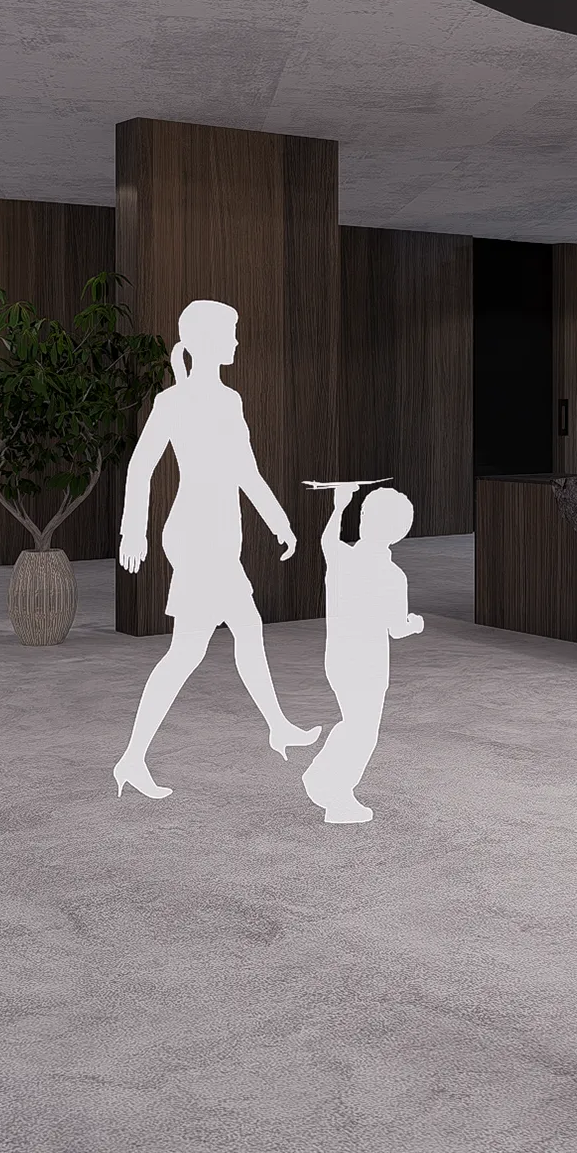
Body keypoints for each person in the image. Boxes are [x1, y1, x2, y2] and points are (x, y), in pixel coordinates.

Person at [111, 300, 320, 798]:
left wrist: (279, 521)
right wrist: (132, 531)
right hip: (195, 533)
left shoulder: (231, 400)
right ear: (207, 341)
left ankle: (276, 726)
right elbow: (140, 468)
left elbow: (246, 470)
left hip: (224, 533)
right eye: (232, 333)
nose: (237, 343)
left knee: (244, 630)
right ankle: (132, 758)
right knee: (191, 649)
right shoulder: (173, 403)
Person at [303, 483, 419, 824]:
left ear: (363, 519)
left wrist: (339, 507)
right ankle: (336, 795)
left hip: (337, 658)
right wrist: (414, 624)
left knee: (352, 724)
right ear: (400, 532)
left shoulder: (341, 557)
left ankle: (322, 780)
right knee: (363, 732)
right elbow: (396, 627)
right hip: (367, 664)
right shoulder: (391, 575)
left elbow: (326, 541)